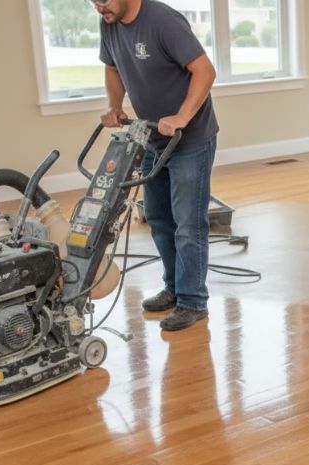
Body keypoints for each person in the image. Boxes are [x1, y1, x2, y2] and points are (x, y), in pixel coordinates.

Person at [95, 0, 219, 331]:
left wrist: (182, 116)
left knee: (188, 223)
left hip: (190, 140)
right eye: (93, 1)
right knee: (159, 217)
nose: (100, 7)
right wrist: (115, 105)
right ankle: (174, 287)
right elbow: (112, 67)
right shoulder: (109, 23)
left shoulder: (163, 21)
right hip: (153, 137)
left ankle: (193, 301)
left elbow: (205, 71)